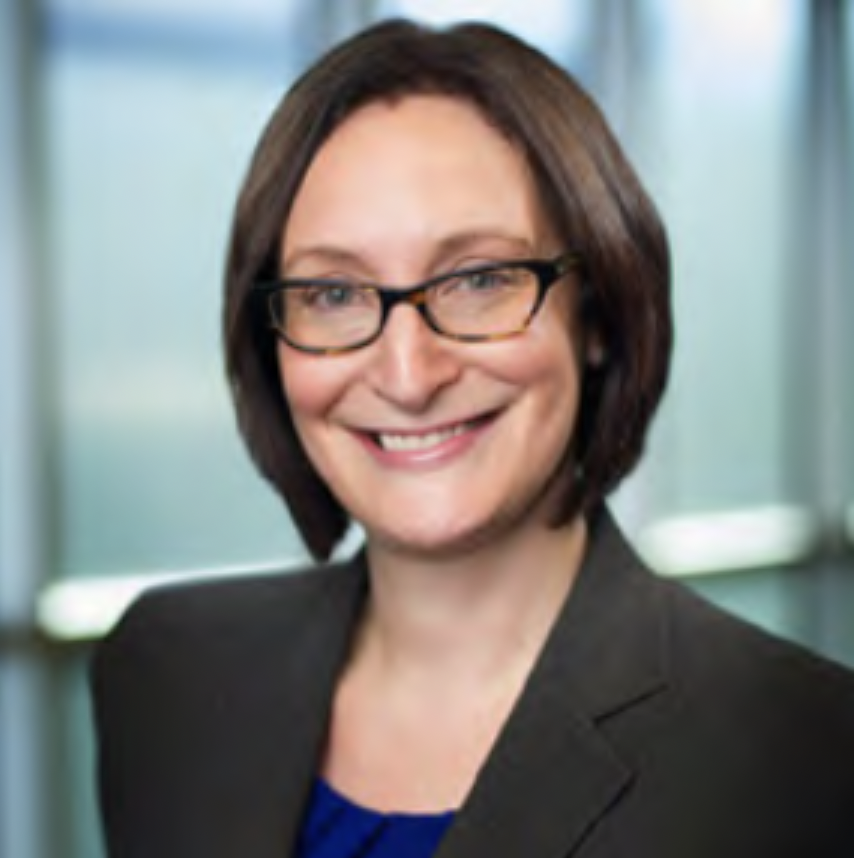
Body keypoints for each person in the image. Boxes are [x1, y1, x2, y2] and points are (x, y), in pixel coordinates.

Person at [91, 19, 854, 858]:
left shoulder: (806, 752)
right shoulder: (164, 676)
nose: (409, 375)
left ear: (596, 310)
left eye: (480, 280)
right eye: (334, 294)